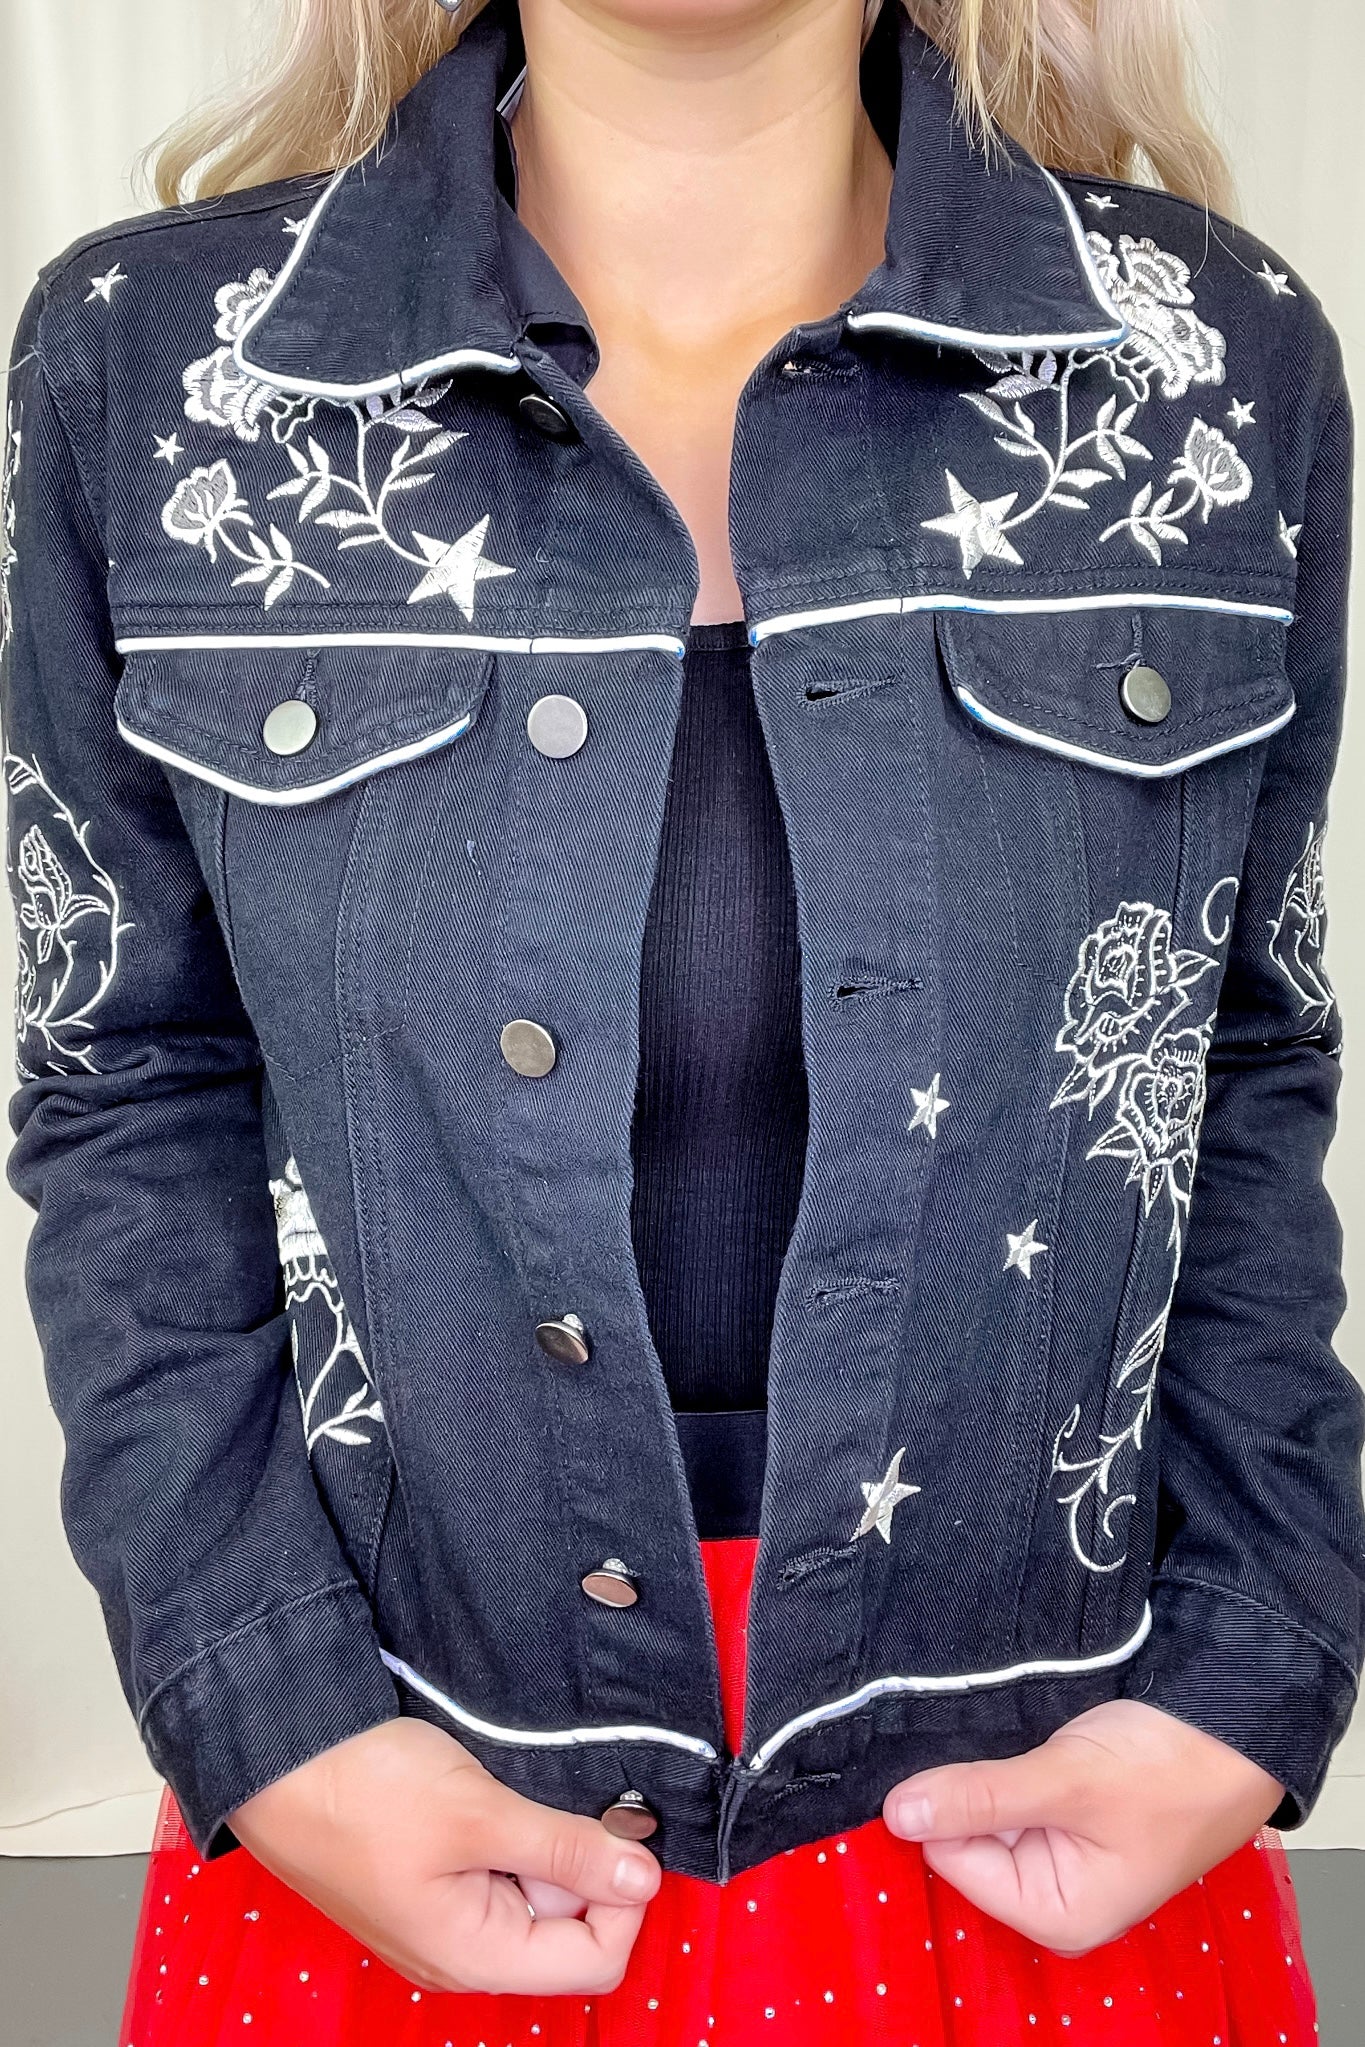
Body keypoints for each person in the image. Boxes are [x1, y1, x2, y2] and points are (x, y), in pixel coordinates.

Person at [3, 0, 1360, 2038]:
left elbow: (1234, 1060)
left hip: (1052, 1803)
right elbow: (125, 1076)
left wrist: (1251, 1664)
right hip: (401, 1795)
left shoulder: (1210, 365)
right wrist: (268, 1717)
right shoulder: (153, 369)